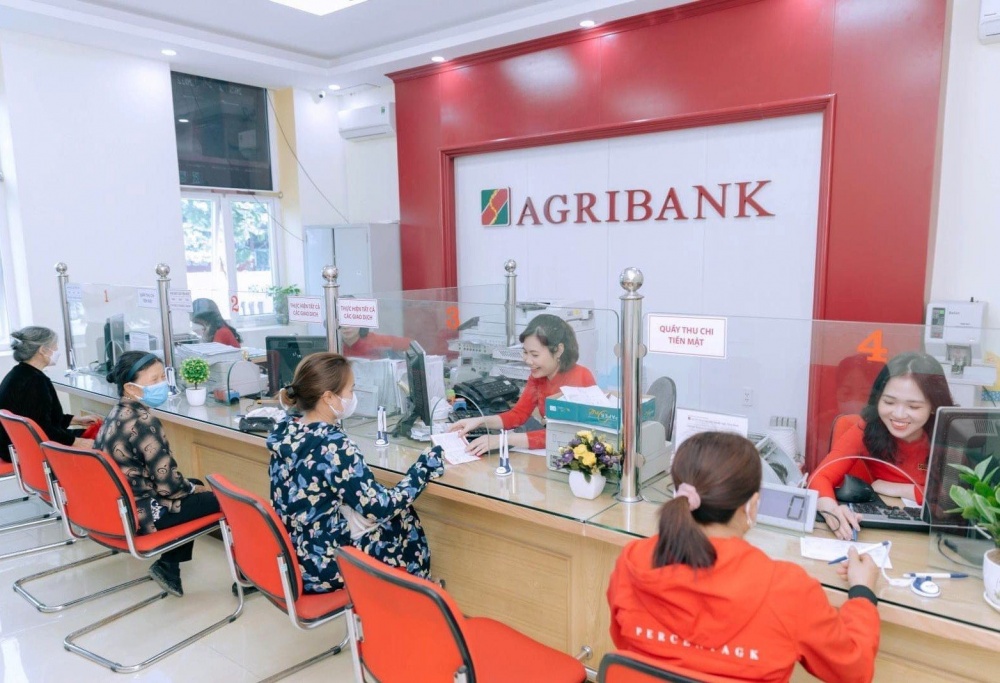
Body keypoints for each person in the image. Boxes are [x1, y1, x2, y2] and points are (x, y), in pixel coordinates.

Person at [607, 432, 881, 683]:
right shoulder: (788, 589)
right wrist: (862, 593)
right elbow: (854, 671)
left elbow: (625, 643)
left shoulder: (633, 559)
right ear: (751, 505)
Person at [267, 352, 444, 593]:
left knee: (389, 511)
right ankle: (420, 596)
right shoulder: (332, 445)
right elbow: (380, 507)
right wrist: (423, 469)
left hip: (294, 553)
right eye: (351, 390)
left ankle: (417, 590)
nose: (353, 396)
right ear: (328, 397)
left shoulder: (287, 429)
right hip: (325, 566)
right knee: (402, 517)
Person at [94, 351, 220, 597]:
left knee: (192, 484)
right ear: (131, 388)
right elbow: (168, 486)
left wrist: (191, 486)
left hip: (120, 506)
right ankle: (247, 576)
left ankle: (169, 568)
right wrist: (194, 489)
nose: (162, 384)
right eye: (154, 380)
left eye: (163, 376)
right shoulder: (143, 421)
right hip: (144, 513)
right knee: (225, 500)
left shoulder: (117, 412)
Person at [809, 351, 954, 540]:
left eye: (913, 407)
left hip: (935, 535)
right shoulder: (868, 428)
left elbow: (954, 498)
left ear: (933, 406)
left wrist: (900, 489)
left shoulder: (950, 433)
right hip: (885, 529)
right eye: (889, 402)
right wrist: (831, 511)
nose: (899, 414)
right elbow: (820, 476)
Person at [450, 313, 596, 455]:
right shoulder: (538, 376)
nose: (528, 360)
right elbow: (518, 414)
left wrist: (502, 440)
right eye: (525, 352)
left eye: (535, 355)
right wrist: (479, 421)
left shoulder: (580, 378)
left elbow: (563, 434)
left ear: (558, 351)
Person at [0, 327, 98, 459]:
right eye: (54, 347)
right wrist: (76, 442)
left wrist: (75, 420)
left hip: (14, 446)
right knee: (102, 440)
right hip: (30, 448)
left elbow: (37, 416)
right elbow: (42, 428)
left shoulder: (18, 373)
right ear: (43, 350)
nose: (57, 350)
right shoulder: (35, 381)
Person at [340, 326, 411, 360]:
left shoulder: (374, 340)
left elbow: (410, 344)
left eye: (351, 321)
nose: (346, 327)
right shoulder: (334, 346)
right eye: (341, 323)